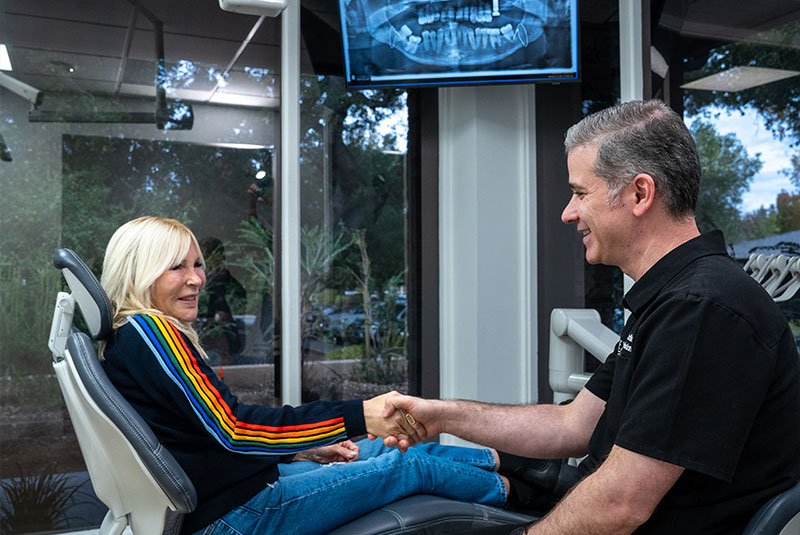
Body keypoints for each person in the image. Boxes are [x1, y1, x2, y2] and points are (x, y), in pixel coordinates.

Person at [381, 99, 800, 534]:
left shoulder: (700, 308)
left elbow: (621, 506)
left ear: (640, 193)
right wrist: (443, 416)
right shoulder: (673, 297)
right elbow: (572, 424)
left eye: (581, 193)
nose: (568, 212)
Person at [98, 216, 550, 535]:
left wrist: (305, 449)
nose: (195, 279)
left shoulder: (128, 336)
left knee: (374, 450)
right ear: (139, 274)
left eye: (196, 264)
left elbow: (202, 439)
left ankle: (524, 464)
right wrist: (361, 414)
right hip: (237, 516)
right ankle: (531, 496)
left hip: (231, 494)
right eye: (177, 267)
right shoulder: (151, 332)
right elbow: (234, 430)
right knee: (404, 463)